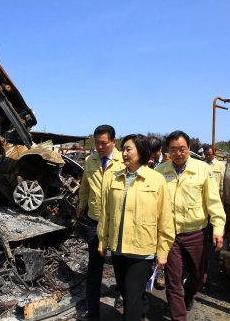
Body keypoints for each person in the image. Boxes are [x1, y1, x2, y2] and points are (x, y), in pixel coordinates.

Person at [98, 134, 175, 321]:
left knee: (130, 296)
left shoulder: (156, 179)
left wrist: (163, 251)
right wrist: (102, 240)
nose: (123, 153)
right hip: (118, 247)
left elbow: (165, 217)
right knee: (125, 289)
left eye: (128, 149)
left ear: (141, 151)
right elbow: (106, 213)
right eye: (123, 149)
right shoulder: (114, 178)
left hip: (142, 248)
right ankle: (142, 308)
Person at [155, 131, 226, 321]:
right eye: (174, 150)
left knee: (199, 276)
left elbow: (213, 202)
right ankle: (179, 317)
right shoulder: (160, 171)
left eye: (182, 149)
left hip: (196, 233)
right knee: (172, 280)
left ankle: (190, 293)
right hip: (169, 235)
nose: (178, 153)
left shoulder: (202, 169)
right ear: (167, 151)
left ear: (189, 149)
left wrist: (218, 229)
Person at [74, 125, 126, 321]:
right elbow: (85, 186)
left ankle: (122, 293)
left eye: (103, 143)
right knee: (95, 264)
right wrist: (82, 203)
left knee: (120, 262)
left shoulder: (125, 160)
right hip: (95, 219)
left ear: (114, 142)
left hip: (119, 221)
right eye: (96, 143)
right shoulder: (90, 160)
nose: (99, 147)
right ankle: (92, 308)